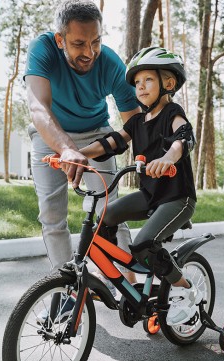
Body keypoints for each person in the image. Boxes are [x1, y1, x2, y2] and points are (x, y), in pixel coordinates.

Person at [24, 0, 141, 293]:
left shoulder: (111, 64)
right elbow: (38, 107)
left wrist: (154, 159)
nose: (89, 52)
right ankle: (69, 290)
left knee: (110, 211)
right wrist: (65, 148)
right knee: (52, 215)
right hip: (50, 134)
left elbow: (135, 124)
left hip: (96, 133)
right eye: (79, 43)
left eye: (96, 41)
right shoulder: (43, 49)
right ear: (60, 39)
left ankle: (129, 286)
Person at [80, 46, 201, 326]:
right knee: (105, 216)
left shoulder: (173, 113)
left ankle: (185, 291)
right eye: (136, 83)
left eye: (147, 79)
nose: (141, 86)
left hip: (176, 198)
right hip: (150, 195)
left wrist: (169, 156)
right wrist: (78, 155)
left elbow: (183, 138)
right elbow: (111, 143)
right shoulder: (136, 121)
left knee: (144, 245)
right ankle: (121, 276)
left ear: (168, 83)